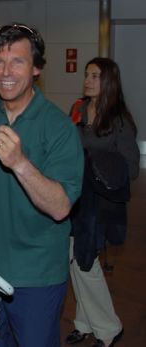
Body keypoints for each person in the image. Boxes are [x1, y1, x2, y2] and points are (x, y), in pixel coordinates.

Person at [0, 23, 84, 346]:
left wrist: (19, 163)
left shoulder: (59, 127)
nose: (5, 71)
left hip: (38, 277)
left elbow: (60, 206)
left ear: (37, 68)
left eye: (18, 61)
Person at [66, 57, 139, 347]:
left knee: (85, 262)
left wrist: (95, 161)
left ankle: (109, 327)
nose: (88, 80)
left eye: (95, 76)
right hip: (76, 197)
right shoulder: (79, 109)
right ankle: (85, 322)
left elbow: (131, 167)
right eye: (86, 75)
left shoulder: (119, 120)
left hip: (101, 203)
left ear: (108, 81)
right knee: (76, 259)